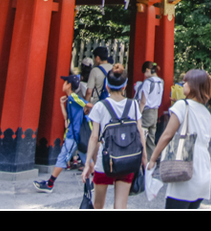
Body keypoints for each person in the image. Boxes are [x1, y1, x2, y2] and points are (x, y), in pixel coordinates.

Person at [81, 63, 146, 208]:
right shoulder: (134, 105)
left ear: (107, 86)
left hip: (105, 162)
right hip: (127, 160)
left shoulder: (99, 106)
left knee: (98, 205)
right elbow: (140, 132)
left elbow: (94, 137)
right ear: (125, 86)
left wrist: (87, 164)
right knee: (121, 206)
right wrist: (144, 159)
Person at [148, 69, 211, 208]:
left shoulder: (182, 105)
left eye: (186, 82)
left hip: (184, 165)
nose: (183, 84)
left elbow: (167, 135)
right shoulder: (206, 112)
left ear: (194, 85)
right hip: (204, 169)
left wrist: (153, 158)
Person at [33, 74, 89, 193]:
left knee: (62, 158)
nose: (63, 84)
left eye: (65, 82)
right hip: (75, 134)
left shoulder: (74, 97)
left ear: (69, 85)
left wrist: (88, 109)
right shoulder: (70, 99)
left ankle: (50, 184)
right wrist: (61, 104)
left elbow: (89, 105)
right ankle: (95, 183)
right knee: (87, 159)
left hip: (73, 136)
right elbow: (66, 117)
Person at [137, 61, 164, 158]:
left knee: (142, 136)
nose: (144, 75)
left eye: (144, 72)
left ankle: (142, 159)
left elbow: (143, 101)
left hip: (146, 112)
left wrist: (139, 114)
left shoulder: (147, 82)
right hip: (155, 111)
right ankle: (152, 159)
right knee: (151, 138)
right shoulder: (161, 81)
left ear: (148, 70)